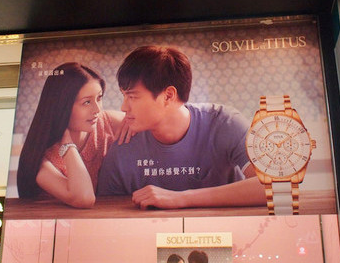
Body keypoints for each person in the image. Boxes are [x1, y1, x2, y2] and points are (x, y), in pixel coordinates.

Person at [97, 45, 267, 209]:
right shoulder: (124, 145)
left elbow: (273, 186)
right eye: (124, 96)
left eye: (132, 97)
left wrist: (182, 198)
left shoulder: (224, 123)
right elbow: (105, 213)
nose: (123, 107)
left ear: (168, 96)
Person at [17, 62, 128, 208]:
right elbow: (83, 198)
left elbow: (151, 120)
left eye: (99, 98)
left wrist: (133, 122)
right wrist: (68, 146)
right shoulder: (41, 159)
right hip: (57, 221)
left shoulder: (106, 122)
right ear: (62, 106)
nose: (97, 109)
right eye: (86, 102)